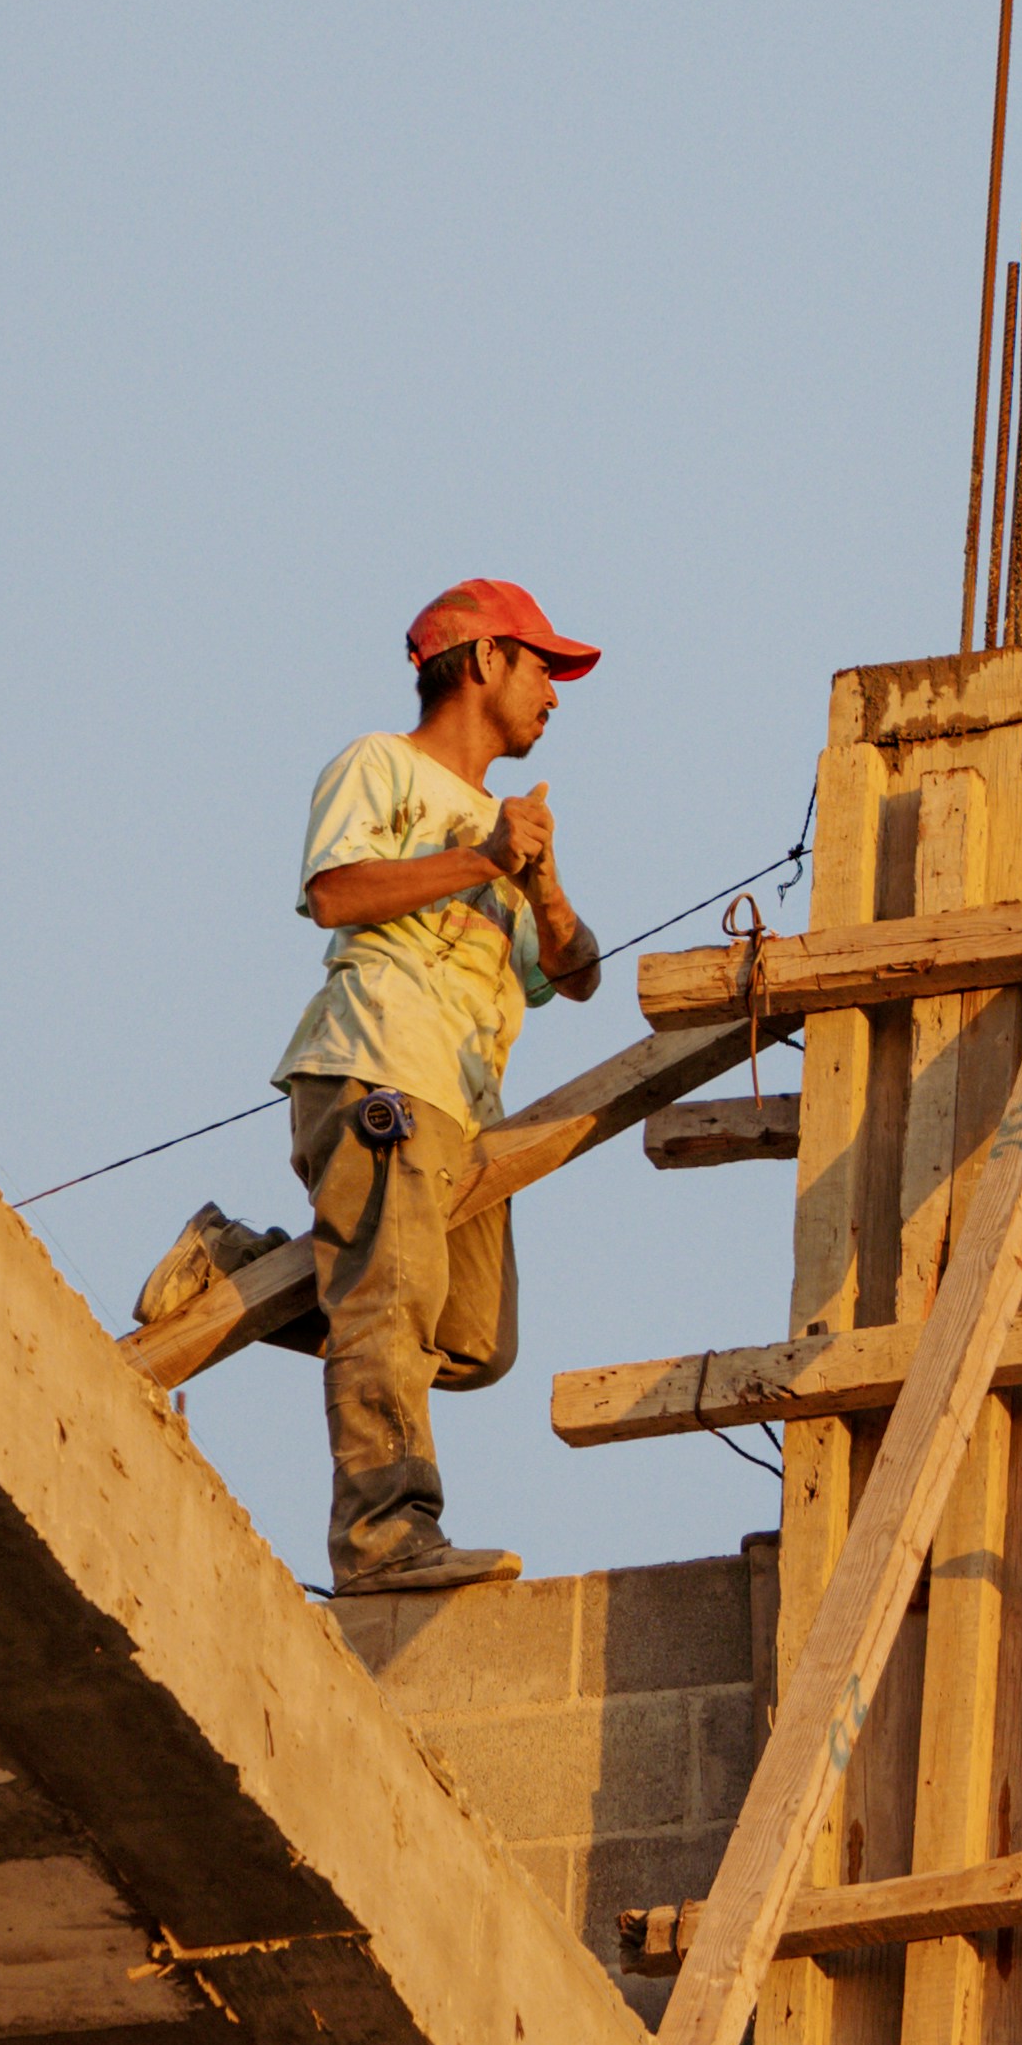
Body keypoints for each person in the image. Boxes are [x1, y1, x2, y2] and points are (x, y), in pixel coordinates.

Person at [271, 575, 605, 1597]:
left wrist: (537, 884)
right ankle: (384, 1537)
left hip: (464, 1113)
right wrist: (482, 856)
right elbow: (333, 889)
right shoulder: (384, 765)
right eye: (542, 664)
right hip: (380, 1064)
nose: (555, 692)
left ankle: (227, 1261)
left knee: (465, 1339)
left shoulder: (513, 827)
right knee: (390, 1304)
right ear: (483, 659)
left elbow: (577, 974)